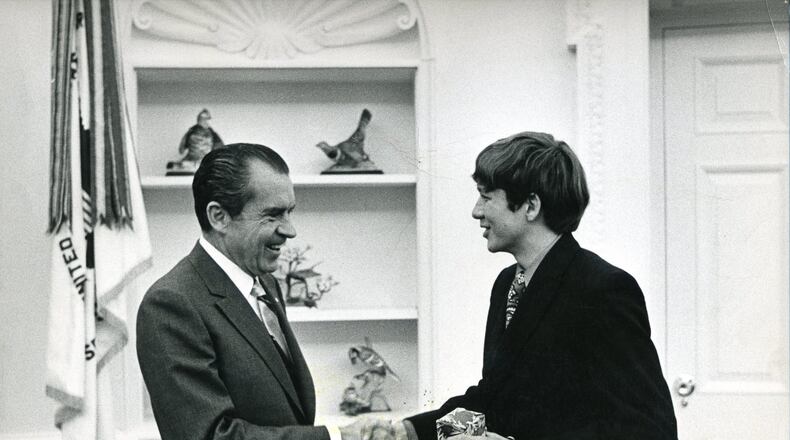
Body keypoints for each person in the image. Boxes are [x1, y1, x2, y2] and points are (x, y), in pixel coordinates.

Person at [393, 132, 677, 439]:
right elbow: (493, 397)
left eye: (486, 196)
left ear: (530, 206)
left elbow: (648, 429)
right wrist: (408, 432)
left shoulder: (603, 290)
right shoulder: (507, 285)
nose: (476, 211)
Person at [137, 143, 370, 440]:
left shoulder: (266, 283)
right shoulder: (171, 303)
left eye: (290, 212)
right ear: (218, 216)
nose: (290, 230)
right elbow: (210, 435)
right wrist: (337, 437)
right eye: (273, 215)